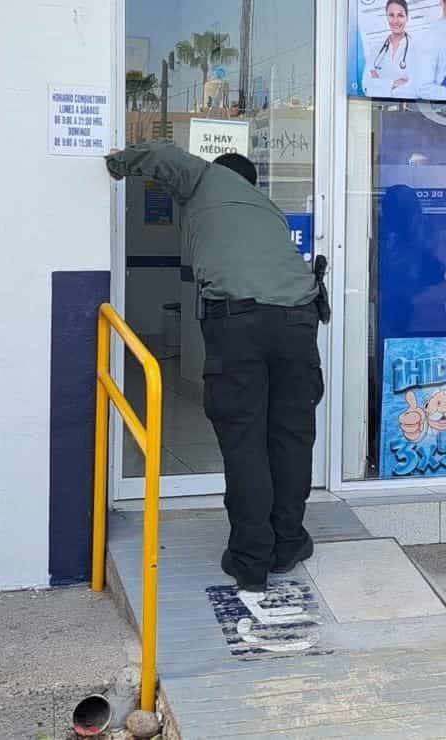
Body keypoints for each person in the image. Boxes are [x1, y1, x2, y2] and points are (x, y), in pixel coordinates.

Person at [106, 144, 324, 594]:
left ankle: (250, 560)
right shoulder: (267, 209)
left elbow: (161, 154)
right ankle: (288, 543)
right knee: (290, 436)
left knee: (244, 440)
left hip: (240, 323)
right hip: (298, 321)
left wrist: (117, 163)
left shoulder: (208, 177)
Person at [363, 0, 419, 99]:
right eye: (391, 15)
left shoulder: (418, 49)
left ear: (407, 17)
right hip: (379, 109)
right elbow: (366, 86)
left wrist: (379, 84)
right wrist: (395, 83)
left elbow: (416, 89)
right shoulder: (376, 50)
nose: (395, 21)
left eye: (400, 15)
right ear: (387, 17)